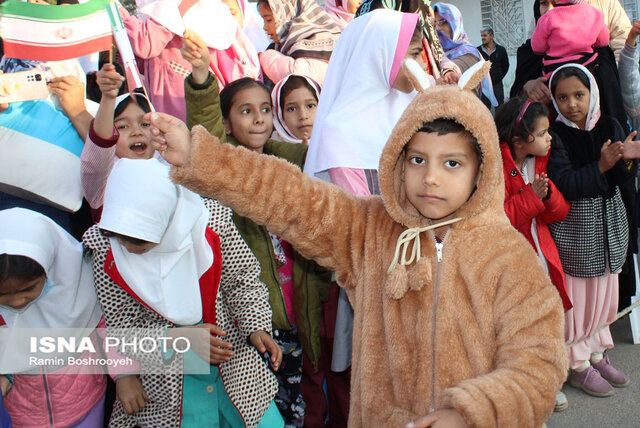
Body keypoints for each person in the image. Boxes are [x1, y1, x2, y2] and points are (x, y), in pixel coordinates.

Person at [148, 62, 567, 427]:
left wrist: (473, 413)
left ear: (483, 170)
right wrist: (202, 159)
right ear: (397, 161)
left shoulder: (509, 257)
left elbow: (538, 363)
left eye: (452, 163)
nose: (431, 177)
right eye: (417, 159)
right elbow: (289, 198)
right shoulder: (369, 230)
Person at [182, 31, 332, 427]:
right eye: (245, 111)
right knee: (261, 411)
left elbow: (326, 156)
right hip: (254, 327)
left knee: (301, 406)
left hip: (299, 315)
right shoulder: (223, 168)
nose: (260, 117)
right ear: (227, 122)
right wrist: (201, 79)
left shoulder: (292, 159)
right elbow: (204, 135)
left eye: (265, 108)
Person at [83, 158, 284, 427]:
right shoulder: (107, 251)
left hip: (235, 369)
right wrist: (178, 340)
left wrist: (256, 327)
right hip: (167, 388)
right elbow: (121, 331)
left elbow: (243, 281)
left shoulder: (210, 225)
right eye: (123, 239)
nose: (130, 249)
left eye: (142, 240)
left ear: (170, 217)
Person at [546, 64, 637, 398]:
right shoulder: (555, 135)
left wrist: (628, 159)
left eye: (579, 95)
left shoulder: (609, 124)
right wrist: (601, 165)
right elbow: (564, 183)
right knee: (580, 299)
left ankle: (597, 352)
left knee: (604, 295)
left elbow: (621, 179)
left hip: (609, 224)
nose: (572, 103)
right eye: (563, 97)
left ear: (592, 93)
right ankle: (577, 363)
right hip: (576, 230)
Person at [495, 97, 572, 411]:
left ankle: (547, 382)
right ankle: (526, 385)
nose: (549, 138)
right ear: (519, 141)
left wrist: (549, 195)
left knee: (545, 323)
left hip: (542, 258)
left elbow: (559, 213)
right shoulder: (496, 169)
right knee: (518, 330)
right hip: (513, 264)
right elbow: (498, 219)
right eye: (542, 134)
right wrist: (531, 196)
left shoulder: (537, 163)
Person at [0, 208, 106, 427]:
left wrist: (124, 377)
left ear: (50, 267)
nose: (18, 301)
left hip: (85, 406)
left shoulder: (82, 288)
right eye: (3, 295)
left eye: (28, 289)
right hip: (22, 414)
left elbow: (113, 336)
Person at [118, 0, 259, 122]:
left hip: (182, 97)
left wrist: (114, 9)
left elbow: (146, 43)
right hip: (194, 92)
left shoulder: (173, 5)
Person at [81, 64, 156, 223]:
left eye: (145, 124)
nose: (137, 132)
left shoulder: (171, 168)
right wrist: (108, 98)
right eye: (123, 126)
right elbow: (101, 143)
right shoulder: (103, 180)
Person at [257, 0, 341, 85]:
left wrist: (265, 57)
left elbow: (299, 77)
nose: (265, 27)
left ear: (287, 15)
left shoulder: (318, 40)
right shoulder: (279, 47)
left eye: (269, 20)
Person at [432, 2, 495, 104]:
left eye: (443, 21)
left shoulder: (468, 53)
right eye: (434, 24)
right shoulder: (435, 54)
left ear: (455, 23)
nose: (437, 28)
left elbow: (449, 80)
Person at [531, 0, 609, 77]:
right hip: (588, 65)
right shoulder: (596, 14)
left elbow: (537, 48)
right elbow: (603, 41)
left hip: (555, 70)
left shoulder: (547, 18)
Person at [271, 74, 321, 144]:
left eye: (310, 106)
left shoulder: (336, 141)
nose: (303, 116)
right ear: (280, 115)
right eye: (292, 109)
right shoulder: (270, 148)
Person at [477, 26, 509, 106]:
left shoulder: (501, 50)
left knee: (499, 108)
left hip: (497, 85)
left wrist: (499, 76)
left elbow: (506, 65)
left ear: (491, 36)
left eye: (485, 35)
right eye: (481, 36)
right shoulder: (478, 51)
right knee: (484, 108)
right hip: (484, 86)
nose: (482, 38)